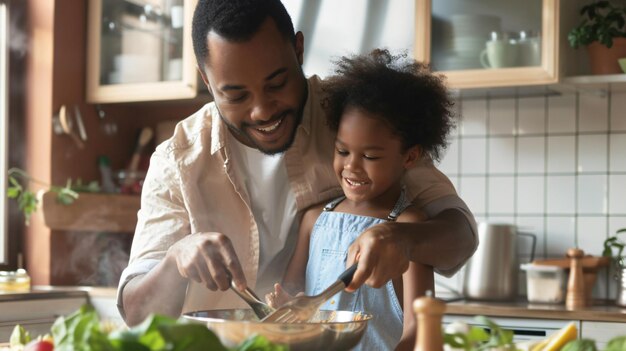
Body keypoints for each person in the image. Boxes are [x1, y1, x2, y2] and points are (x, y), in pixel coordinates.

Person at [117, 0, 477, 326]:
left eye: (277, 83)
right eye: (236, 95)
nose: (263, 111)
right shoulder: (178, 160)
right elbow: (135, 312)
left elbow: (459, 234)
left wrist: (404, 238)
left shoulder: (356, 116)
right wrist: (175, 259)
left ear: (298, 50)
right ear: (206, 81)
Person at [265, 49, 448, 350]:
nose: (351, 167)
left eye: (370, 156)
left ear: (410, 156)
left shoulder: (408, 226)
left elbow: (418, 329)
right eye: (342, 151)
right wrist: (286, 303)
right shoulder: (314, 219)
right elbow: (294, 291)